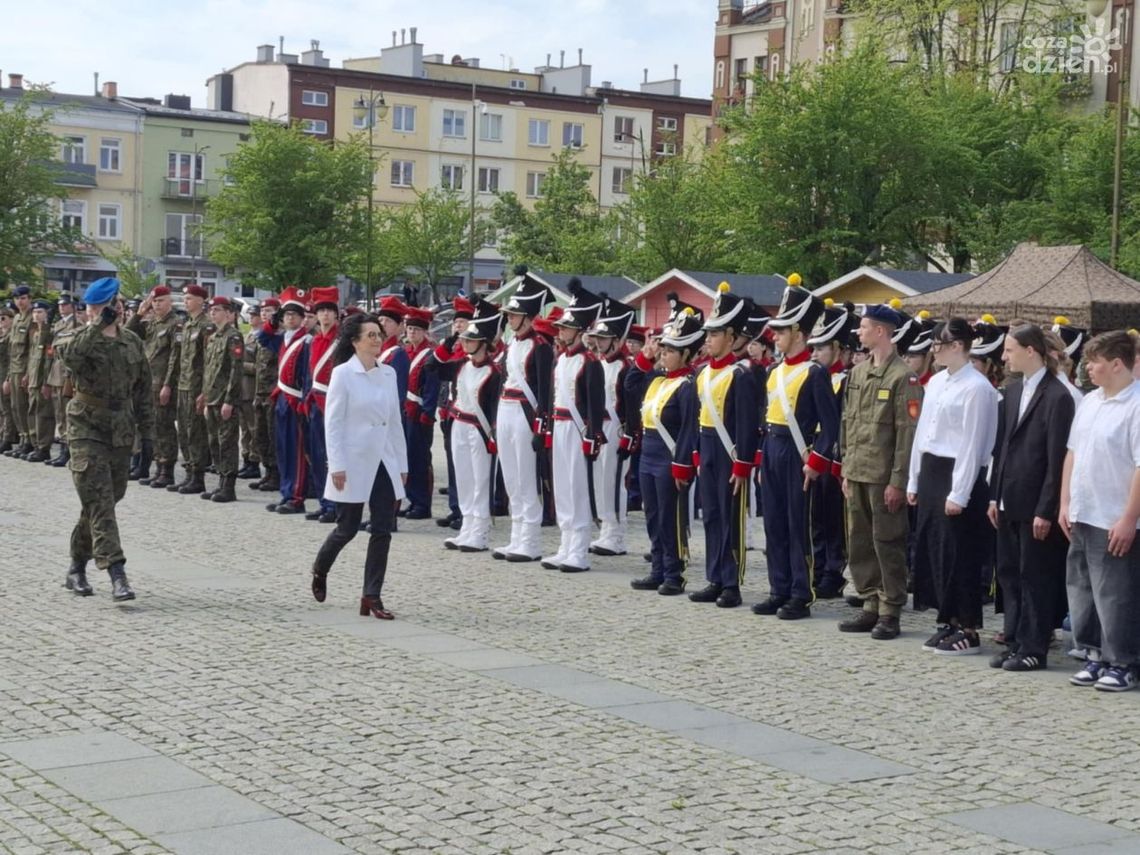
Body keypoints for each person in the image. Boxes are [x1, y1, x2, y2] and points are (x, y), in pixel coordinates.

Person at [907, 318, 999, 656]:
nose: (934, 351)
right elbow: (923, 433)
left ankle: (967, 626)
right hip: (932, 468)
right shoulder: (936, 382)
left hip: (958, 472)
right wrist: (914, 478)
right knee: (935, 548)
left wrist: (959, 492)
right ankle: (946, 618)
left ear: (958, 346)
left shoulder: (977, 387)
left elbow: (973, 444)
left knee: (960, 552)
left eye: (939, 345)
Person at [988, 324, 1075, 672]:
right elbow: (1002, 448)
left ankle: (1034, 647)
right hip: (1008, 498)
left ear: (1031, 351)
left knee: (1035, 576)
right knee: (1009, 573)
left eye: (1010, 350)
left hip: (1035, 502)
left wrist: (1045, 509)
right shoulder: (1012, 392)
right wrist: (994, 496)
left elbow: (1056, 459)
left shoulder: (1057, 396)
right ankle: (1015, 639)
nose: (1004, 357)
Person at [61, 277, 153, 601]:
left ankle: (76, 566)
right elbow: (70, 358)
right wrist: (97, 326)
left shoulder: (131, 342)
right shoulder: (80, 338)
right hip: (86, 427)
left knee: (104, 500)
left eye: (107, 306)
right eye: (94, 308)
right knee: (99, 501)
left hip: (121, 429)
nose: (97, 312)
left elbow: (143, 391)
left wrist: (149, 435)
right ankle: (117, 572)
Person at [311, 313, 408, 620]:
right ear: (355, 341)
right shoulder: (343, 374)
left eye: (379, 334)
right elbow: (333, 422)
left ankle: (371, 595)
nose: (377, 339)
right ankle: (320, 568)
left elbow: (395, 421)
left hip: (384, 460)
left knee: (382, 530)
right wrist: (337, 464)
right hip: (353, 460)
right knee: (347, 528)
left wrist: (401, 463)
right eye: (371, 335)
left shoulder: (389, 373)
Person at [1059, 330, 1140, 692]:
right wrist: (1065, 502)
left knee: (1115, 593)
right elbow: (1072, 453)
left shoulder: (1135, 405)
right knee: (1082, 587)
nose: (1087, 368)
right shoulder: (1090, 401)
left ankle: (1122, 661)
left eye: (1095, 362)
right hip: (1084, 510)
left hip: (1113, 514)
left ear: (1117, 364)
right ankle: (1092, 652)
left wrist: (1129, 518)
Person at [838, 303, 923, 638]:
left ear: (881, 331)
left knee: (887, 542)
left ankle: (890, 610)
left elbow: (907, 433)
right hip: (858, 470)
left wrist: (898, 481)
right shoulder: (858, 373)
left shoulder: (904, 377)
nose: (859, 333)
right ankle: (870, 602)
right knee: (859, 542)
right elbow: (848, 423)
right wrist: (846, 469)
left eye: (863, 327)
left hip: (883, 475)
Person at [753, 276, 833, 619]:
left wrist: (815, 462)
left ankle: (801, 592)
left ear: (798, 333)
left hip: (797, 454)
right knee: (773, 523)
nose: (775, 337)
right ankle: (779, 588)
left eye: (781, 331)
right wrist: (760, 458)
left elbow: (831, 425)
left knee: (796, 525)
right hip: (772, 448)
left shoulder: (815, 372)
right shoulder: (773, 372)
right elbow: (765, 417)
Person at [690, 283, 760, 610]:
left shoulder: (740, 375)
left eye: (715, 334)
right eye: (708, 334)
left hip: (729, 452)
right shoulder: (702, 374)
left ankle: (731, 582)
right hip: (707, 449)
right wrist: (695, 453)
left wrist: (743, 463)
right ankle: (714, 576)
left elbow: (746, 424)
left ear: (731, 337)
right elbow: (697, 418)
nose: (708, 339)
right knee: (711, 516)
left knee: (731, 518)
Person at [627, 309, 703, 595]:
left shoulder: (687, 386)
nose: (664, 354)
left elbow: (688, 429)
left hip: (669, 457)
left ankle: (674, 573)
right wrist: (645, 357)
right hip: (648, 453)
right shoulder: (658, 379)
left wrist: (682, 464)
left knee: (670, 517)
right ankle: (657, 568)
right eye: (664, 349)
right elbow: (630, 385)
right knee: (652, 514)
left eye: (670, 351)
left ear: (685, 355)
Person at [430, 297, 504, 552]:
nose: (465, 342)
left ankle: (480, 532)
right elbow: (432, 367)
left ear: (483, 342)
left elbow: (494, 408)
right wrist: (450, 340)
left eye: (470, 339)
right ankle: (467, 527)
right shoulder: (461, 365)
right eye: (464, 339)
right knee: (463, 479)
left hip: (479, 430)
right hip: (458, 426)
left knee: (480, 481)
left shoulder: (494, 372)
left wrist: (494, 436)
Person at [543, 280, 605, 573]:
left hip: (578, 430)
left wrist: (593, 436)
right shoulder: (561, 360)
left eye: (566, 328)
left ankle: (579, 548)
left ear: (580, 331)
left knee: (578, 488)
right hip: (560, 426)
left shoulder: (589, 362)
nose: (560, 331)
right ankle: (565, 544)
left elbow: (595, 403)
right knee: (562, 488)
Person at [495, 272, 555, 562]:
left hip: (524, 413)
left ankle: (530, 541)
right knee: (511, 477)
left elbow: (545, 391)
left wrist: (541, 427)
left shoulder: (540, 346)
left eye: (514, 314)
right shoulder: (512, 344)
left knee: (526, 477)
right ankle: (516, 536)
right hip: (506, 409)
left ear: (528, 317)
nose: (509, 318)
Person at [806, 300, 853, 600]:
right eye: (812, 348)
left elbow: (846, 424)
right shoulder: (813, 375)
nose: (814, 354)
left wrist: (839, 459)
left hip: (834, 457)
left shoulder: (847, 380)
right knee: (815, 515)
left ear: (837, 348)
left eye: (820, 348)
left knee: (834, 518)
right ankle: (818, 564)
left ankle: (834, 571)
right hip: (813, 453)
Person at [588, 296, 636, 557]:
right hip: (600, 428)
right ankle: (605, 529)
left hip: (617, 429)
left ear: (617, 340)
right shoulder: (598, 364)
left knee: (614, 482)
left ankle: (617, 535)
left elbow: (631, 406)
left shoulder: (625, 367)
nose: (599, 342)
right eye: (598, 337)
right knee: (600, 481)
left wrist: (630, 436)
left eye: (604, 338)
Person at [258, 287, 311, 514]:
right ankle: (286, 492)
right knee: (282, 448)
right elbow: (263, 338)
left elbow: (307, 376)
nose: (290, 318)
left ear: (302, 318)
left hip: (295, 400)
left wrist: (304, 403)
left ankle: (297, 497)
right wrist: (272, 322)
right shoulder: (283, 339)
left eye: (294, 315)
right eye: (286, 315)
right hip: (281, 398)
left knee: (295, 450)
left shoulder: (306, 341)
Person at [125, 286, 180, 487]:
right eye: (154, 301)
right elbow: (128, 333)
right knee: (152, 427)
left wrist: (168, 384)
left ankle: (167, 470)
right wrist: (140, 312)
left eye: (161, 300)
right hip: (148, 383)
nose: (156, 305)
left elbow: (175, 358)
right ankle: (158, 467)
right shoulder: (152, 323)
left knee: (164, 426)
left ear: (170, 302)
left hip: (162, 384)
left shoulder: (176, 324)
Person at [167, 284, 213, 495]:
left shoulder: (207, 326)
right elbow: (178, 358)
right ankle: (188, 472)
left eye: (190, 298)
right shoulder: (186, 325)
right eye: (185, 298)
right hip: (183, 385)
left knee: (196, 432)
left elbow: (209, 361)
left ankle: (198, 476)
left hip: (196, 386)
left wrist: (205, 391)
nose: (185, 302)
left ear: (201, 301)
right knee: (184, 432)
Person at [198, 297, 245, 503]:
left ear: (228, 313)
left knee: (227, 442)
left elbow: (236, 370)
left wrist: (229, 400)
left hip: (224, 398)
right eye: (211, 310)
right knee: (214, 441)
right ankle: (220, 482)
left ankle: (228, 486)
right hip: (212, 397)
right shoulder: (213, 337)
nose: (213, 313)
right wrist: (204, 395)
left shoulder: (233, 336)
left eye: (217, 310)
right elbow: (209, 369)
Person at [303, 286, 341, 524]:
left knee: (332, 456)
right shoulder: (315, 340)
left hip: (334, 402)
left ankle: (335, 504)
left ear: (336, 314)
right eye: (321, 311)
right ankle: (324, 501)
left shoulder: (341, 342)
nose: (325, 315)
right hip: (316, 402)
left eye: (329, 310)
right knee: (317, 455)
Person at [436, 296, 474, 532]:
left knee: (465, 466)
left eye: (462, 322)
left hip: (465, 414)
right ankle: (455, 506)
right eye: (455, 322)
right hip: (448, 412)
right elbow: (435, 366)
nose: (457, 326)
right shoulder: (451, 348)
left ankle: (465, 510)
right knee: (452, 464)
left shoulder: (469, 353)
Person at [402, 306, 440, 519]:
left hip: (419, 413)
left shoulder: (429, 355)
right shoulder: (405, 352)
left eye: (416, 329)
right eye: (409, 329)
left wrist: (427, 413)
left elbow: (432, 387)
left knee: (420, 459)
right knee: (407, 457)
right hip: (405, 412)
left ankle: (423, 503)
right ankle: (412, 499)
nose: (412, 332)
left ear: (425, 332)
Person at [247, 298, 280, 493]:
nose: (264, 314)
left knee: (272, 435)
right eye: (263, 311)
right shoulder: (262, 337)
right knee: (261, 435)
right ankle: (267, 471)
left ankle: (276, 474)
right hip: (260, 392)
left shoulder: (279, 337)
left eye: (269, 310)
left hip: (272, 393)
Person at [47, 292, 80, 467]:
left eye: (65, 305)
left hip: (67, 375)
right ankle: (62, 448)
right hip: (56, 373)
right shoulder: (59, 325)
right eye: (60, 305)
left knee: (67, 414)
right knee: (59, 413)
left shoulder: (77, 324)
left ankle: (67, 450)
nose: (61, 307)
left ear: (73, 307)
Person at [24, 300, 56, 462]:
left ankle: (44, 447)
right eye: (35, 312)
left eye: (40, 312)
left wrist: (46, 382)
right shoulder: (35, 333)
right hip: (33, 379)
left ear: (47, 314)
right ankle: (35, 443)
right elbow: (32, 358)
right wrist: (27, 375)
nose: (36, 315)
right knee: (32, 412)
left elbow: (49, 360)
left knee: (43, 414)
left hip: (42, 380)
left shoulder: (48, 333)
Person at [4, 286, 33, 457]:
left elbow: (33, 350)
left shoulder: (32, 319)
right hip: (14, 369)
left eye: (23, 298)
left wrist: (28, 374)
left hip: (24, 369)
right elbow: (11, 351)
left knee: (24, 406)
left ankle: (29, 441)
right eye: (17, 299)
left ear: (29, 299)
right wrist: (8, 376)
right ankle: (22, 438)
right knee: (15, 406)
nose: (19, 302)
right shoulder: (16, 319)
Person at [237, 300, 262, 481]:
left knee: (254, 428)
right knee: (244, 429)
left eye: (255, 315)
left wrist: (241, 365)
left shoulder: (261, 338)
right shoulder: (248, 336)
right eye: (251, 315)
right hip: (242, 388)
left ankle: (254, 462)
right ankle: (246, 459)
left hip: (252, 388)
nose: (252, 318)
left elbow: (260, 366)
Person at [0, 305, 14, 454]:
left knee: (6, 408)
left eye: (3, 318)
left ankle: (7, 438)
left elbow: (12, 359)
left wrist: (8, 378)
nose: (1, 321)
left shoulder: (11, 336)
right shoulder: (2, 335)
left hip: (5, 374)